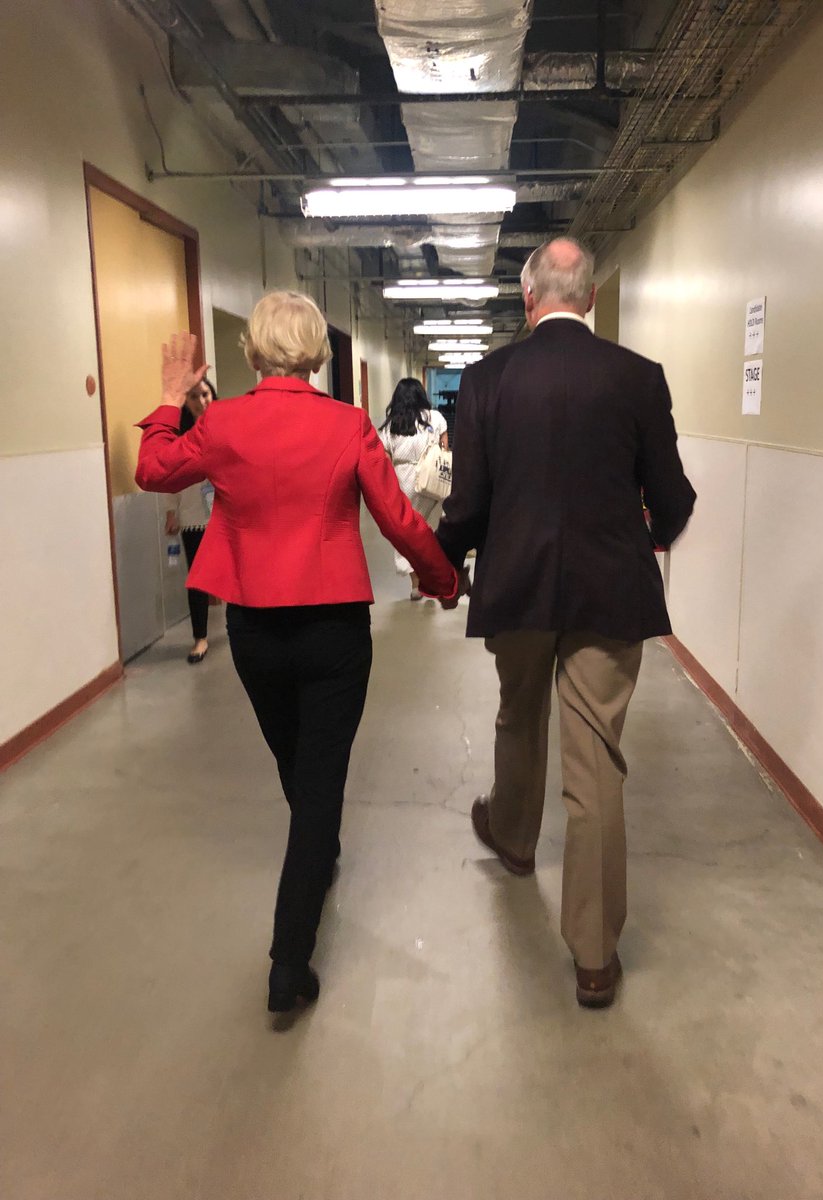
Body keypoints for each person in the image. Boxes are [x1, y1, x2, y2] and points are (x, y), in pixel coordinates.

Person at [134, 293, 459, 1015]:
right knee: (317, 781)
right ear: (317, 354)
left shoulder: (222, 422)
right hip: (333, 629)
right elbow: (399, 519)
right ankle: (289, 961)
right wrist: (443, 580)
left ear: (252, 352)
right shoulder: (347, 424)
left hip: (255, 629)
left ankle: (315, 854)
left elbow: (152, 469)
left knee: (296, 762)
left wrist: (170, 398)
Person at [436, 238, 696, 1009]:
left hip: (515, 588)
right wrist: (646, 537)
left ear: (528, 298)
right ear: (590, 297)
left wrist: (442, 565)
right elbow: (672, 499)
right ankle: (594, 954)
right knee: (595, 761)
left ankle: (514, 839)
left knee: (519, 714)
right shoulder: (637, 377)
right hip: (610, 595)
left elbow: (468, 505)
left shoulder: (485, 381)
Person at [379, 378, 449, 600]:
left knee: (407, 532)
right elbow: (444, 449)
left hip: (404, 482)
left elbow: (385, 460)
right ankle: (432, 579)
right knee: (430, 530)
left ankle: (416, 584)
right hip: (432, 480)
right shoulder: (435, 418)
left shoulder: (391, 424)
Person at [163, 377, 217, 663]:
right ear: (186, 403)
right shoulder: (179, 440)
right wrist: (171, 512)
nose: (201, 401)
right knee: (197, 579)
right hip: (193, 516)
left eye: (205, 394)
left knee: (234, 574)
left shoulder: (226, 430)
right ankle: (200, 638)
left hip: (224, 515)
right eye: (194, 397)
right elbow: (171, 479)